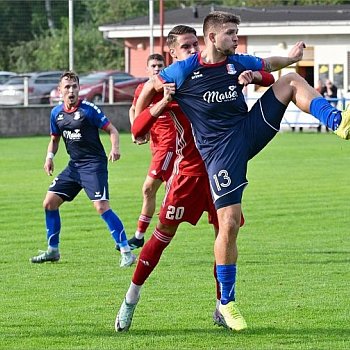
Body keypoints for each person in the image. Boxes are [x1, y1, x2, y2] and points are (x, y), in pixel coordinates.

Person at [134, 11, 350, 332]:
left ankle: (338, 121)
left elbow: (270, 65)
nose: (236, 38)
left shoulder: (236, 61)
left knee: (290, 80)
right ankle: (227, 303)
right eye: (231, 33)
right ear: (212, 37)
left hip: (247, 130)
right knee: (230, 223)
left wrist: (289, 58)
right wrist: (144, 115)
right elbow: (149, 90)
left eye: (237, 33)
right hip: (220, 153)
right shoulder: (182, 71)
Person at [115, 25, 274, 332]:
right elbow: (137, 128)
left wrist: (253, 76)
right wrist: (160, 102)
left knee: (225, 234)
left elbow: (265, 75)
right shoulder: (173, 84)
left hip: (222, 168)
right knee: (162, 237)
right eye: (185, 47)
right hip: (188, 175)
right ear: (172, 52)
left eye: (194, 45)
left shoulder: (212, 71)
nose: (192, 50)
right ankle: (130, 300)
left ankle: (222, 306)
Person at [30, 70, 136, 268]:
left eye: (74, 87)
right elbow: (54, 139)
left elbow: (112, 130)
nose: (71, 91)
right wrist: (49, 158)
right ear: (60, 90)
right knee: (49, 203)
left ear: (79, 89)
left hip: (94, 165)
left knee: (102, 207)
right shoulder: (56, 113)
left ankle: (126, 251)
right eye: (67, 87)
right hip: (74, 167)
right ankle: (53, 251)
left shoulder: (88, 110)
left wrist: (115, 147)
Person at [127, 53, 177, 250]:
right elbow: (133, 110)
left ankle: (142, 235)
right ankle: (147, 233)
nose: (157, 69)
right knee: (165, 190)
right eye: (153, 66)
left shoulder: (171, 89)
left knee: (148, 188)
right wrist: (136, 130)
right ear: (147, 69)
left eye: (160, 66)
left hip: (169, 144)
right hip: (155, 146)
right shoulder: (143, 89)